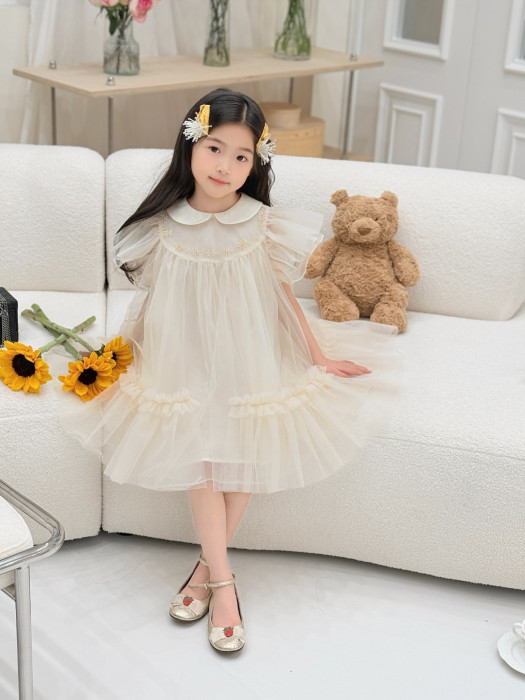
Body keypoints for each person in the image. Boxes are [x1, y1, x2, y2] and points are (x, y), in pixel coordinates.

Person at [60, 88, 399, 653]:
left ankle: (208, 575)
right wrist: (120, 354)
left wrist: (317, 356)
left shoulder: (262, 223)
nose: (225, 166)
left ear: (256, 162)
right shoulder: (162, 225)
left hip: (252, 348)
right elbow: (150, 299)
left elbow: (282, 297)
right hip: (182, 354)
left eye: (241, 156)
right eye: (215, 148)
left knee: (244, 444)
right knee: (204, 460)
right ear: (191, 145)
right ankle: (224, 584)